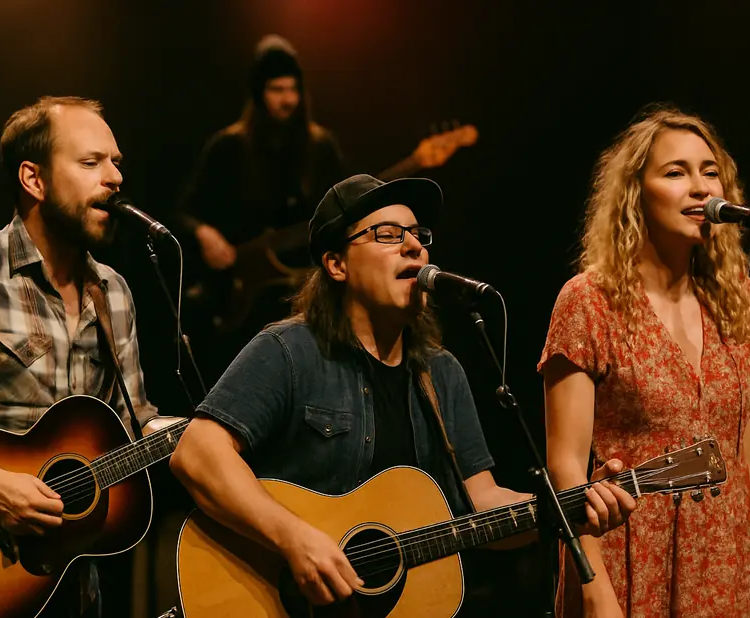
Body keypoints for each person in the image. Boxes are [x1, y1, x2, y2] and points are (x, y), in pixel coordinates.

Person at [169, 173, 636, 614]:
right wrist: (294, 539)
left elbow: (481, 500)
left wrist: (565, 511)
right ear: (336, 264)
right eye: (389, 234)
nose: (415, 246)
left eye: (418, 235)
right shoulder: (288, 351)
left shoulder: (441, 373)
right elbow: (197, 453)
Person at [0, 96, 176, 617]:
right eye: (91, 163)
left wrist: (215, 430)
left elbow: (137, 423)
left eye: (116, 163)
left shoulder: (112, 293)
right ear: (33, 179)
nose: (114, 178)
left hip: (73, 583)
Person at [539, 106, 750, 617]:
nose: (700, 187)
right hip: (630, 556)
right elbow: (567, 465)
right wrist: (595, 592)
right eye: (675, 172)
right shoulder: (590, 300)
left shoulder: (748, 301)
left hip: (728, 563)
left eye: (710, 171)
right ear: (636, 194)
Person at [174, 34, 346, 378]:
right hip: (241, 304)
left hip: (305, 296)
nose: (287, 100)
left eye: (292, 90)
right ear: (258, 94)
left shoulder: (320, 147)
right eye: (277, 90)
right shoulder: (229, 147)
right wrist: (205, 234)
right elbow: (184, 212)